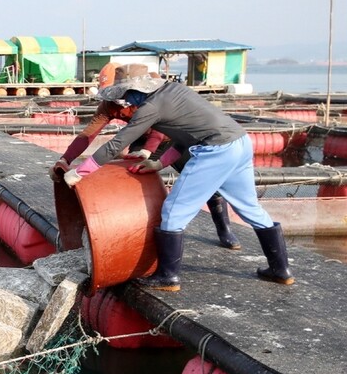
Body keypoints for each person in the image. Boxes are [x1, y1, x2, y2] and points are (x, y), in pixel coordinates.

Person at [60, 63, 293, 292]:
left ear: (138, 90)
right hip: (239, 143)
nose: (126, 100)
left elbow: (117, 144)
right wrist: (160, 163)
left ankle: (168, 276)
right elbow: (186, 135)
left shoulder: (150, 107)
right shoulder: (174, 91)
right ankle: (280, 270)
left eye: (127, 94)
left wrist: (80, 172)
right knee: (250, 208)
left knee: (173, 211)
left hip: (216, 150)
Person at [50, 64, 241, 251]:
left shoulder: (151, 91)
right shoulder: (108, 106)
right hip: (139, 138)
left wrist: (148, 152)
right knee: (133, 176)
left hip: (172, 138)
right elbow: (88, 134)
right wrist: (66, 159)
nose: (121, 99)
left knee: (206, 180)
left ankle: (224, 229)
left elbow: (160, 125)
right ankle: (136, 227)